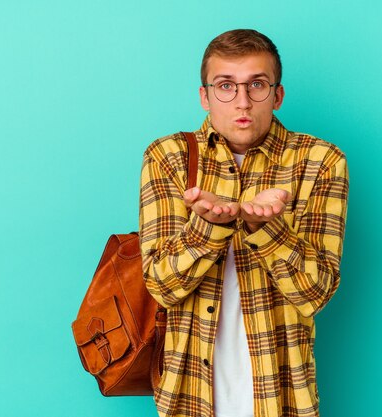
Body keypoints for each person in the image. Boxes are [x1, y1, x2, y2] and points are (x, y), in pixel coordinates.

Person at [139, 29, 349, 417]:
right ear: (204, 96)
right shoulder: (167, 156)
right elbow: (161, 285)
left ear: (277, 95)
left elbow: (315, 293)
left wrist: (264, 228)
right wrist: (210, 226)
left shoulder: (321, 161)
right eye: (225, 86)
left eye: (257, 84)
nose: (242, 101)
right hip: (190, 393)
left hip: (284, 392)